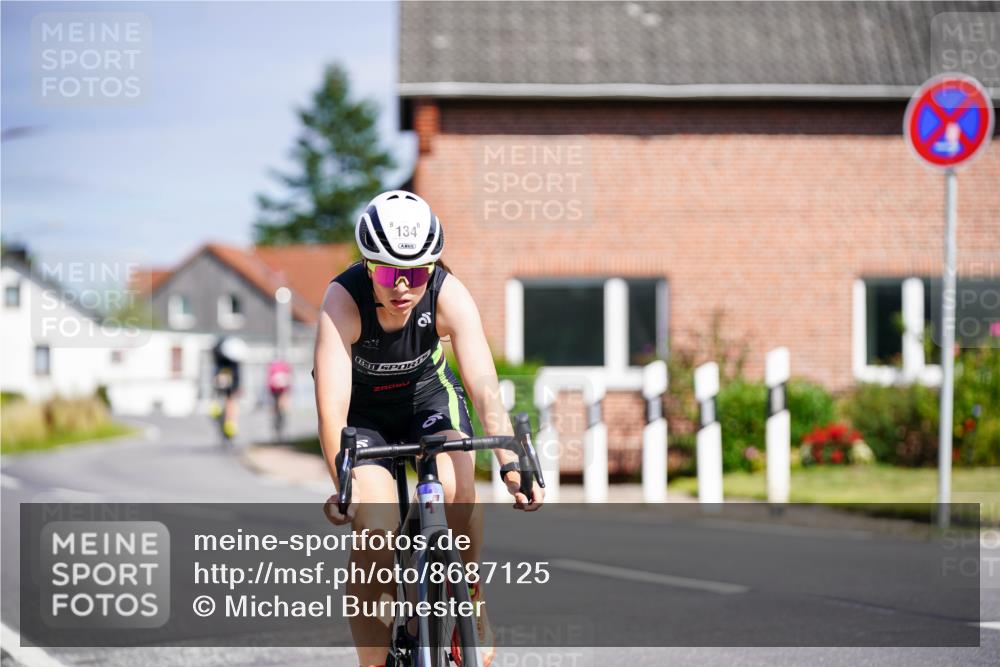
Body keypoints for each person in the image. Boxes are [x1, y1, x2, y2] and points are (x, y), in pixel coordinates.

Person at [314, 190, 544, 667]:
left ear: (432, 268)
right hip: (365, 418)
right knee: (375, 528)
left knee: (460, 488)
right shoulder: (342, 300)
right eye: (387, 273)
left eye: (416, 273)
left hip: (428, 399)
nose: (402, 286)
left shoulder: (448, 292)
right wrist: (344, 485)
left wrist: (510, 463)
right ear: (367, 266)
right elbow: (332, 408)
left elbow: (483, 385)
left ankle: (468, 594)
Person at [211, 335, 247, 440]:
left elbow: (237, 376)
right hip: (222, 373)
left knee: (231, 399)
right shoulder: (220, 355)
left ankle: (230, 423)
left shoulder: (235, 359)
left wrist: (237, 388)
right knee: (222, 394)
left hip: (230, 377)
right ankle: (218, 410)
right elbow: (217, 373)